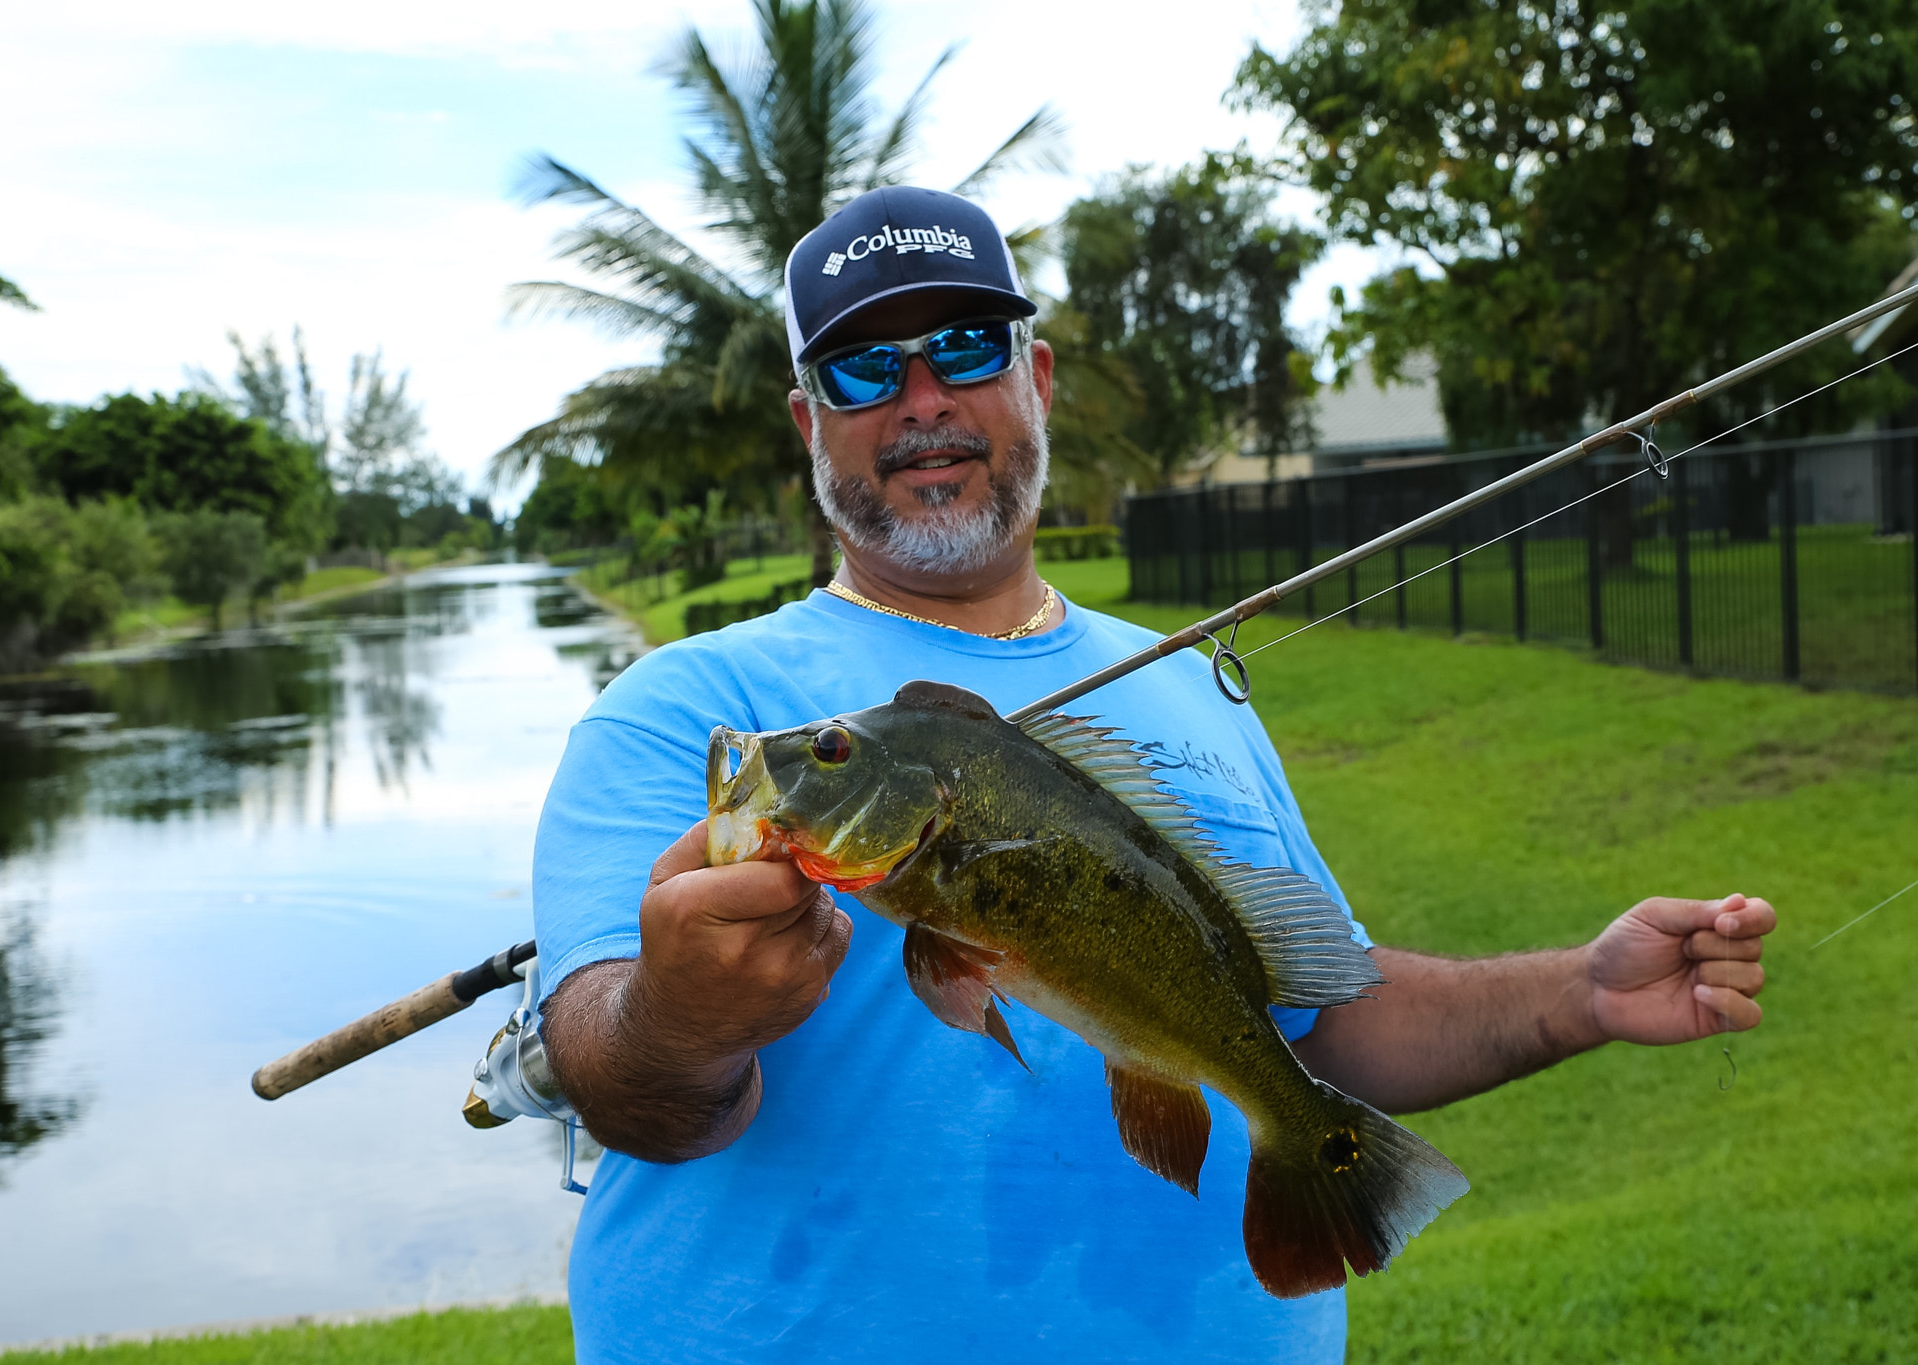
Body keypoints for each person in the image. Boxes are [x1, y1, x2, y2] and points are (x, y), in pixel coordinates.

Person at [531, 186, 1775, 1363]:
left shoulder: (1181, 678)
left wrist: (1582, 995)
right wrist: (671, 1019)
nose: (921, 402)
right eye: (863, 370)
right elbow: (619, 1077)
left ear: (1037, 380)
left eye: (965, 346)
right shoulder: (687, 714)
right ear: (811, 424)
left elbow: (1308, 1013)